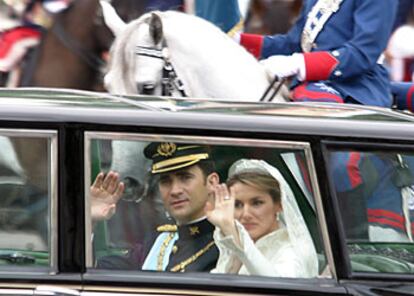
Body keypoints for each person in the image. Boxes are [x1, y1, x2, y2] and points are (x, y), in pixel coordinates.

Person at [236, 0, 397, 108]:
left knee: (317, 105)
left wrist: (300, 64)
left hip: (355, 89)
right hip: (310, 85)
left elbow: (363, 52)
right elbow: (294, 43)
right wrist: (237, 42)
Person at [91, 142, 220, 272]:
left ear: (212, 182)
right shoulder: (156, 242)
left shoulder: (228, 246)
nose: (175, 190)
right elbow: (94, 271)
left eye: (185, 178)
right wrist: (89, 221)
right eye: (165, 181)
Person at [206, 159, 318, 277]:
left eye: (257, 203)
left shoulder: (292, 253)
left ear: (279, 205)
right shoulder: (236, 251)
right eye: (238, 205)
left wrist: (233, 234)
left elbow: (276, 288)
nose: (246, 214)